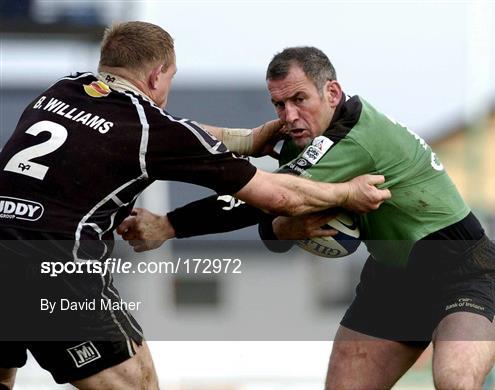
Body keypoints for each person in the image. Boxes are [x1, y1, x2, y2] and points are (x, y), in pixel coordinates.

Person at [0, 25, 391, 390]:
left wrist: (246, 139)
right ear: (156, 76)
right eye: (170, 78)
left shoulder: (63, 89)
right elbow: (279, 197)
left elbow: (173, 131)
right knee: (139, 381)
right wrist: (346, 194)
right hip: (53, 267)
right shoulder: (147, 128)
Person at [120, 47, 495, 389]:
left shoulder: (355, 139)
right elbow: (275, 215)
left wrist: (168, 225)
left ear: (332, 93)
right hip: (392, 279)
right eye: (279, 105)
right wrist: (278, 227)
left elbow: (263, 198)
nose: (289, 115)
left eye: (299, 100)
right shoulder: (304, 142)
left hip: (462, 270)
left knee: (456, 380)